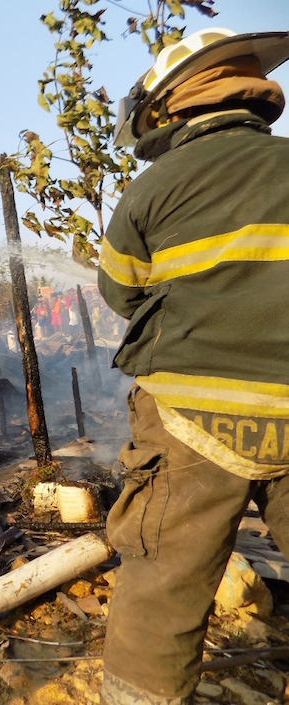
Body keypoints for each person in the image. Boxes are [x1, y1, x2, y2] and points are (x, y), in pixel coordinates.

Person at [98, 28, 289, 704]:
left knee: (162, 585)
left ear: (171, 108)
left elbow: (120, 291)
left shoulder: (153, 189)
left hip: (190, 417)